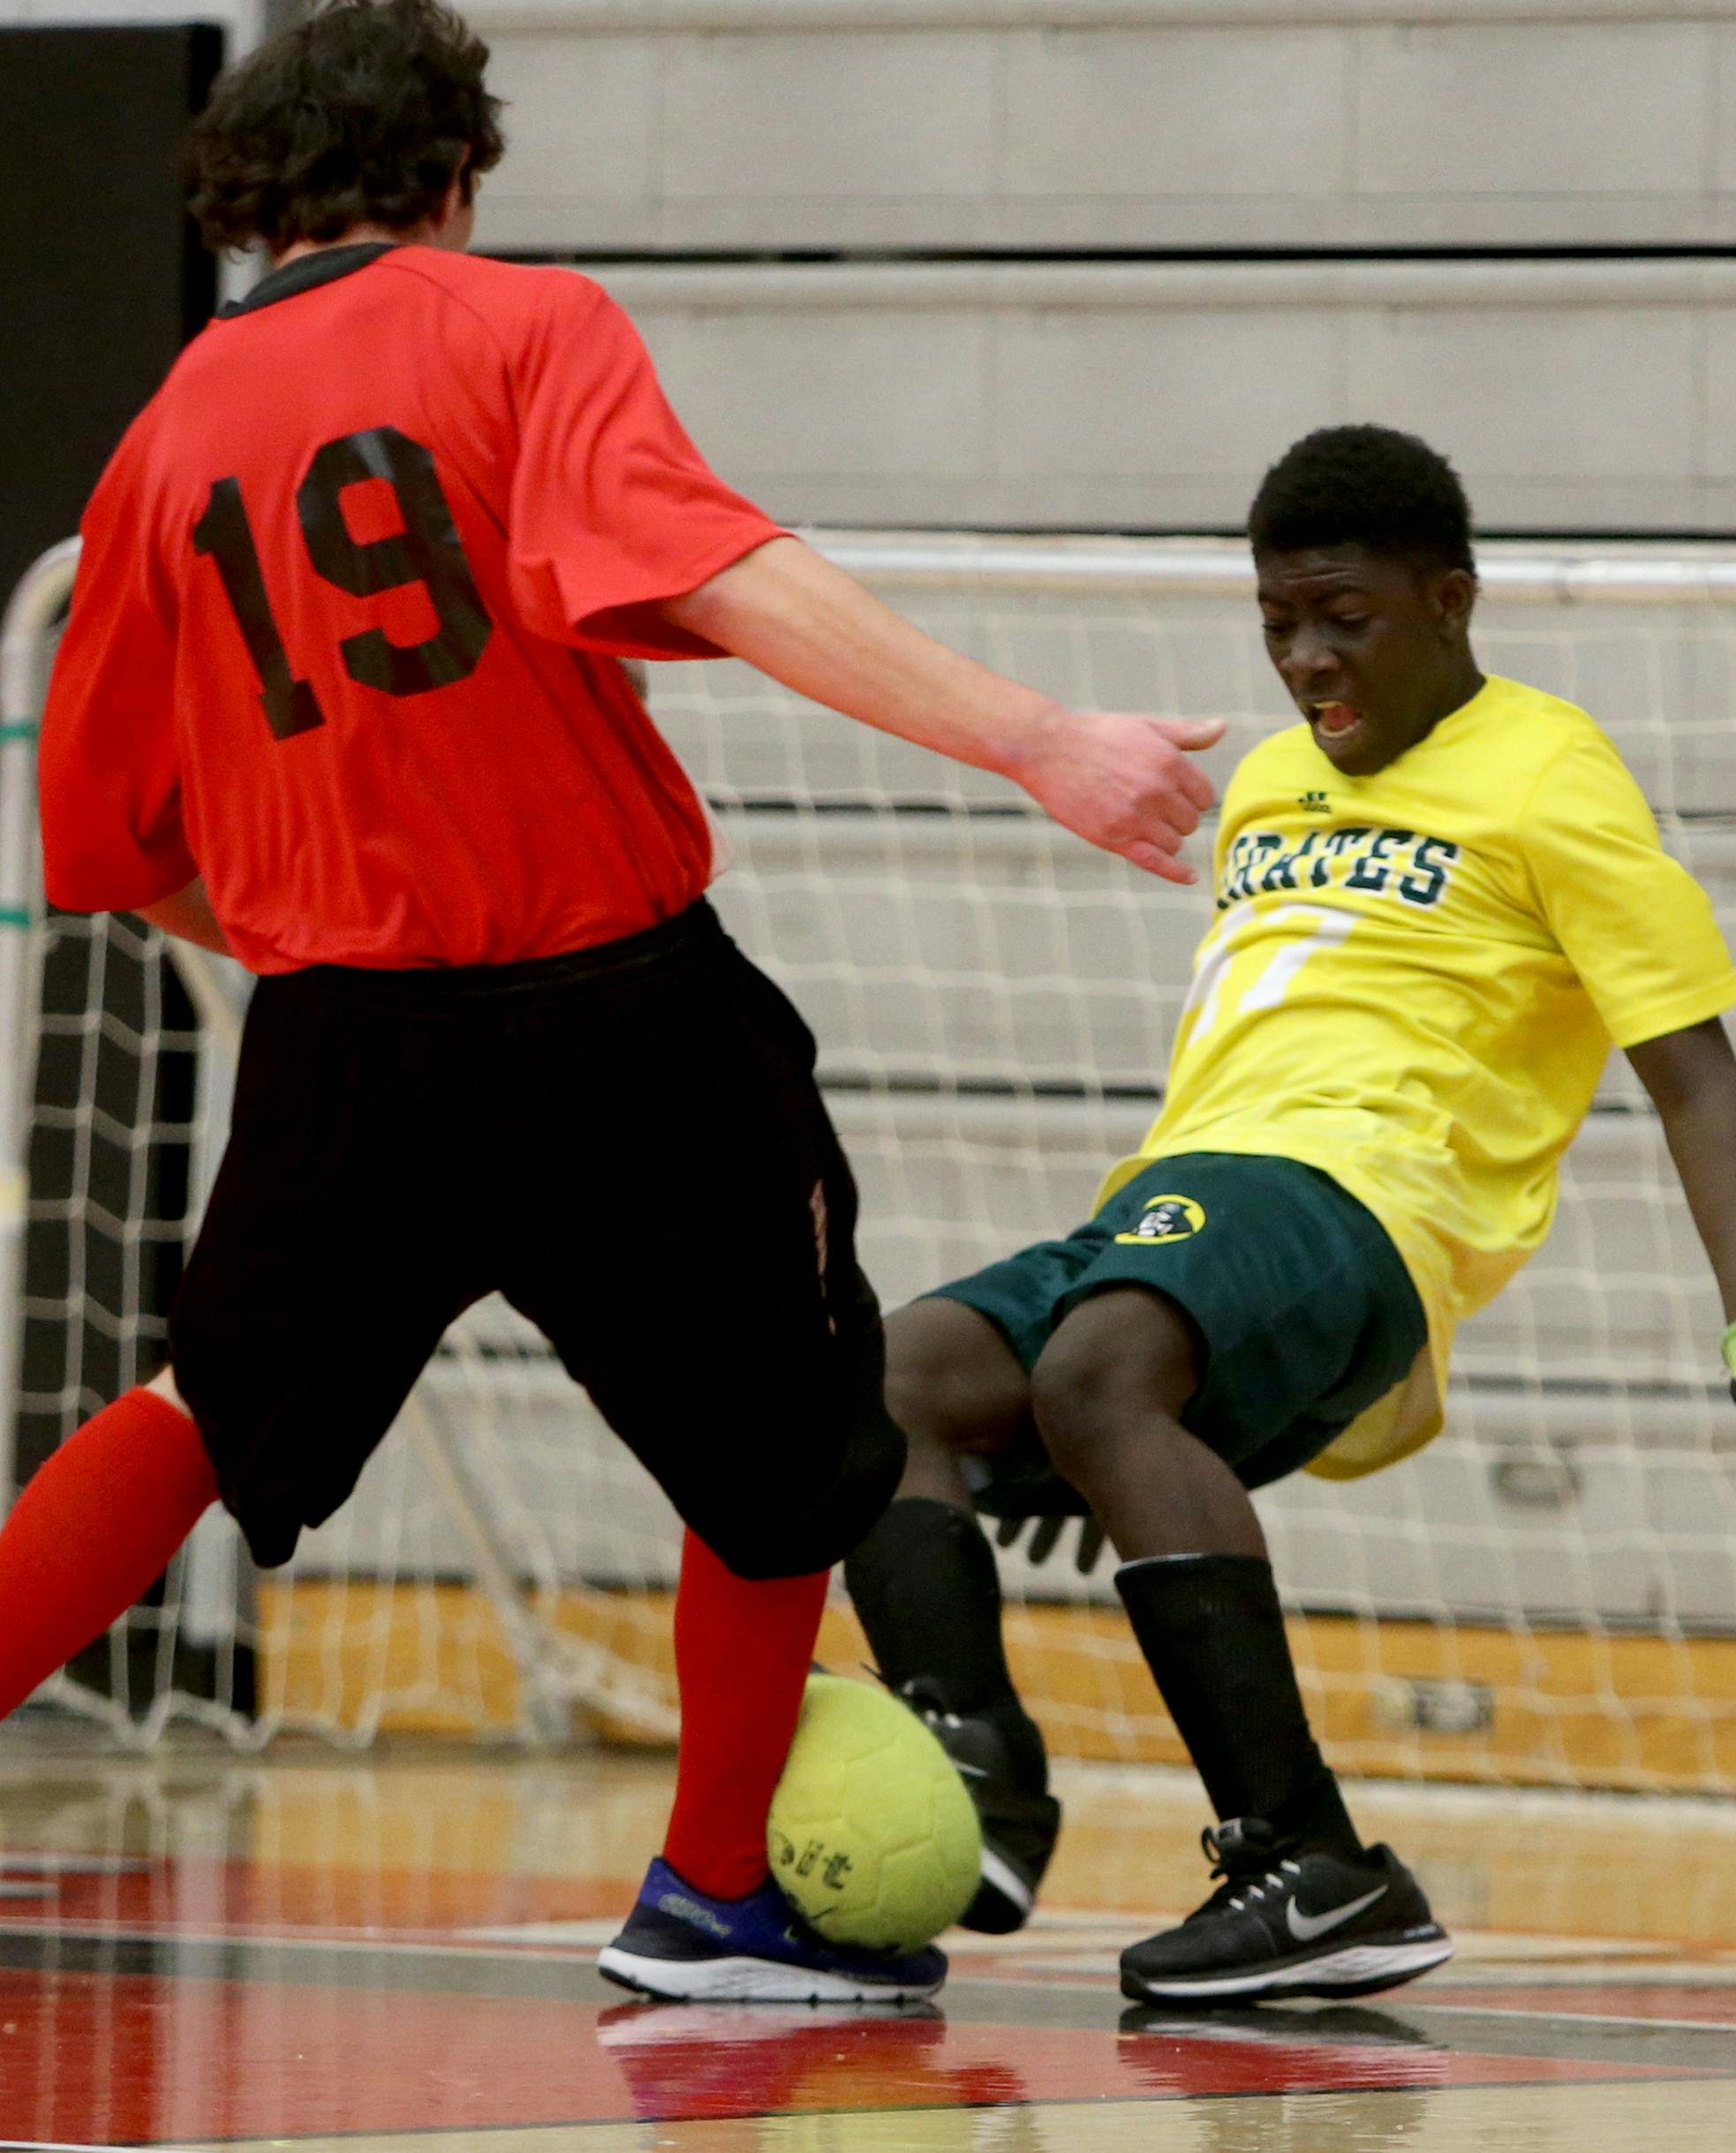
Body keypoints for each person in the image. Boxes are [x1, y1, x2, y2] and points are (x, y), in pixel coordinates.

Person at [0, 0, 1221, 2007]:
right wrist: (1039, 740)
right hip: (609, 1018)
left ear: (250, 202)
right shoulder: (519, 324)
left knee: (201, 1410)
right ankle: (713, 1891)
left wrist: (331, 929)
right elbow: (722, 567)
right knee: (794, 1439)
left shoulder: (158, 446)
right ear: (454, 173)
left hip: (338, 1042)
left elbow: (116, 852)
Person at [843, 423, 1736, 2006]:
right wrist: (1116, 1387)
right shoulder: (1268, 782)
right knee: (888, 1373)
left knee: (1091, 1374)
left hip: (1369, 1194)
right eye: (1277, 624)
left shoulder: (1554, 772)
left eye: (1346, 617)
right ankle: (971, 1774)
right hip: (1194, 1186)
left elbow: (1695, 1071)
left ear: (1451, 603)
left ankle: (1310, 1861)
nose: (1306, 658)